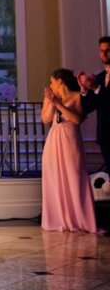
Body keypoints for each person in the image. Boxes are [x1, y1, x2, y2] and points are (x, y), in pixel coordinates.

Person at [40, 68, 97, 233]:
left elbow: (77, 119)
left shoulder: (77, 96)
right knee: (55, 177)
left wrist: (59, 104)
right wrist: (52, 102)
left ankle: (79, 218)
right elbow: (45, 119)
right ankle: (59, 218)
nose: (50, 85)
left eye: (52, 81)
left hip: (70, 138)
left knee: (74, 176)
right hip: (54, 139)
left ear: (60, 81)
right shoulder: (50, 97)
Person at [78, 36, 110, 172]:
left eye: (108, 50)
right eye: (101, 50)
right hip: (104, 134)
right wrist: (84, 90)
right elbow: (88, 107)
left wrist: (97, 88)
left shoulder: (98, 82)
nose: (104, 54)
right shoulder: (100, 77)